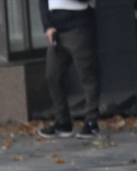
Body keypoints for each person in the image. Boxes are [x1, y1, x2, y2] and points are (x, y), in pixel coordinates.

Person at [38, 0, 100, 139]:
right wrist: (47, 26)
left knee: (87, 75)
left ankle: (91, 121)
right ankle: (63, 121)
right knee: (52, 75)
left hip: (79, 27)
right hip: (56, 31)